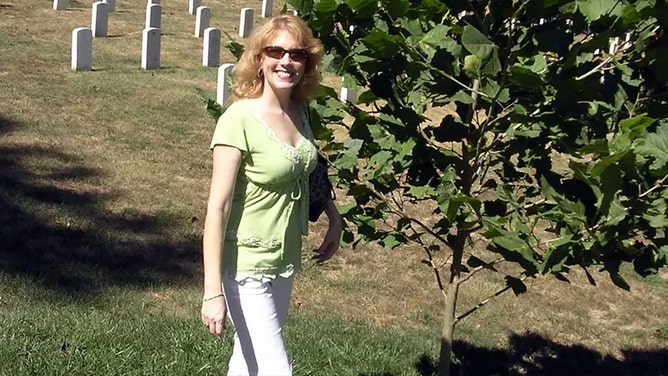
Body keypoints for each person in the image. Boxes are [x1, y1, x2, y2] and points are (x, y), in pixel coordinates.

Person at [200, 14, 342, 376]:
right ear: (259, 59)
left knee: (248, 362)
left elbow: (307, 168)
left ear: (307, 64)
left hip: (284, 259)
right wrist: (212, 291)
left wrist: (333, 216)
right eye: (276, 51)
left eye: (297, 54)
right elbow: (217, 207)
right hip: (245, 262)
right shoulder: (239, 119)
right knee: (277, 369)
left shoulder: (300, 112)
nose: (286, 62)